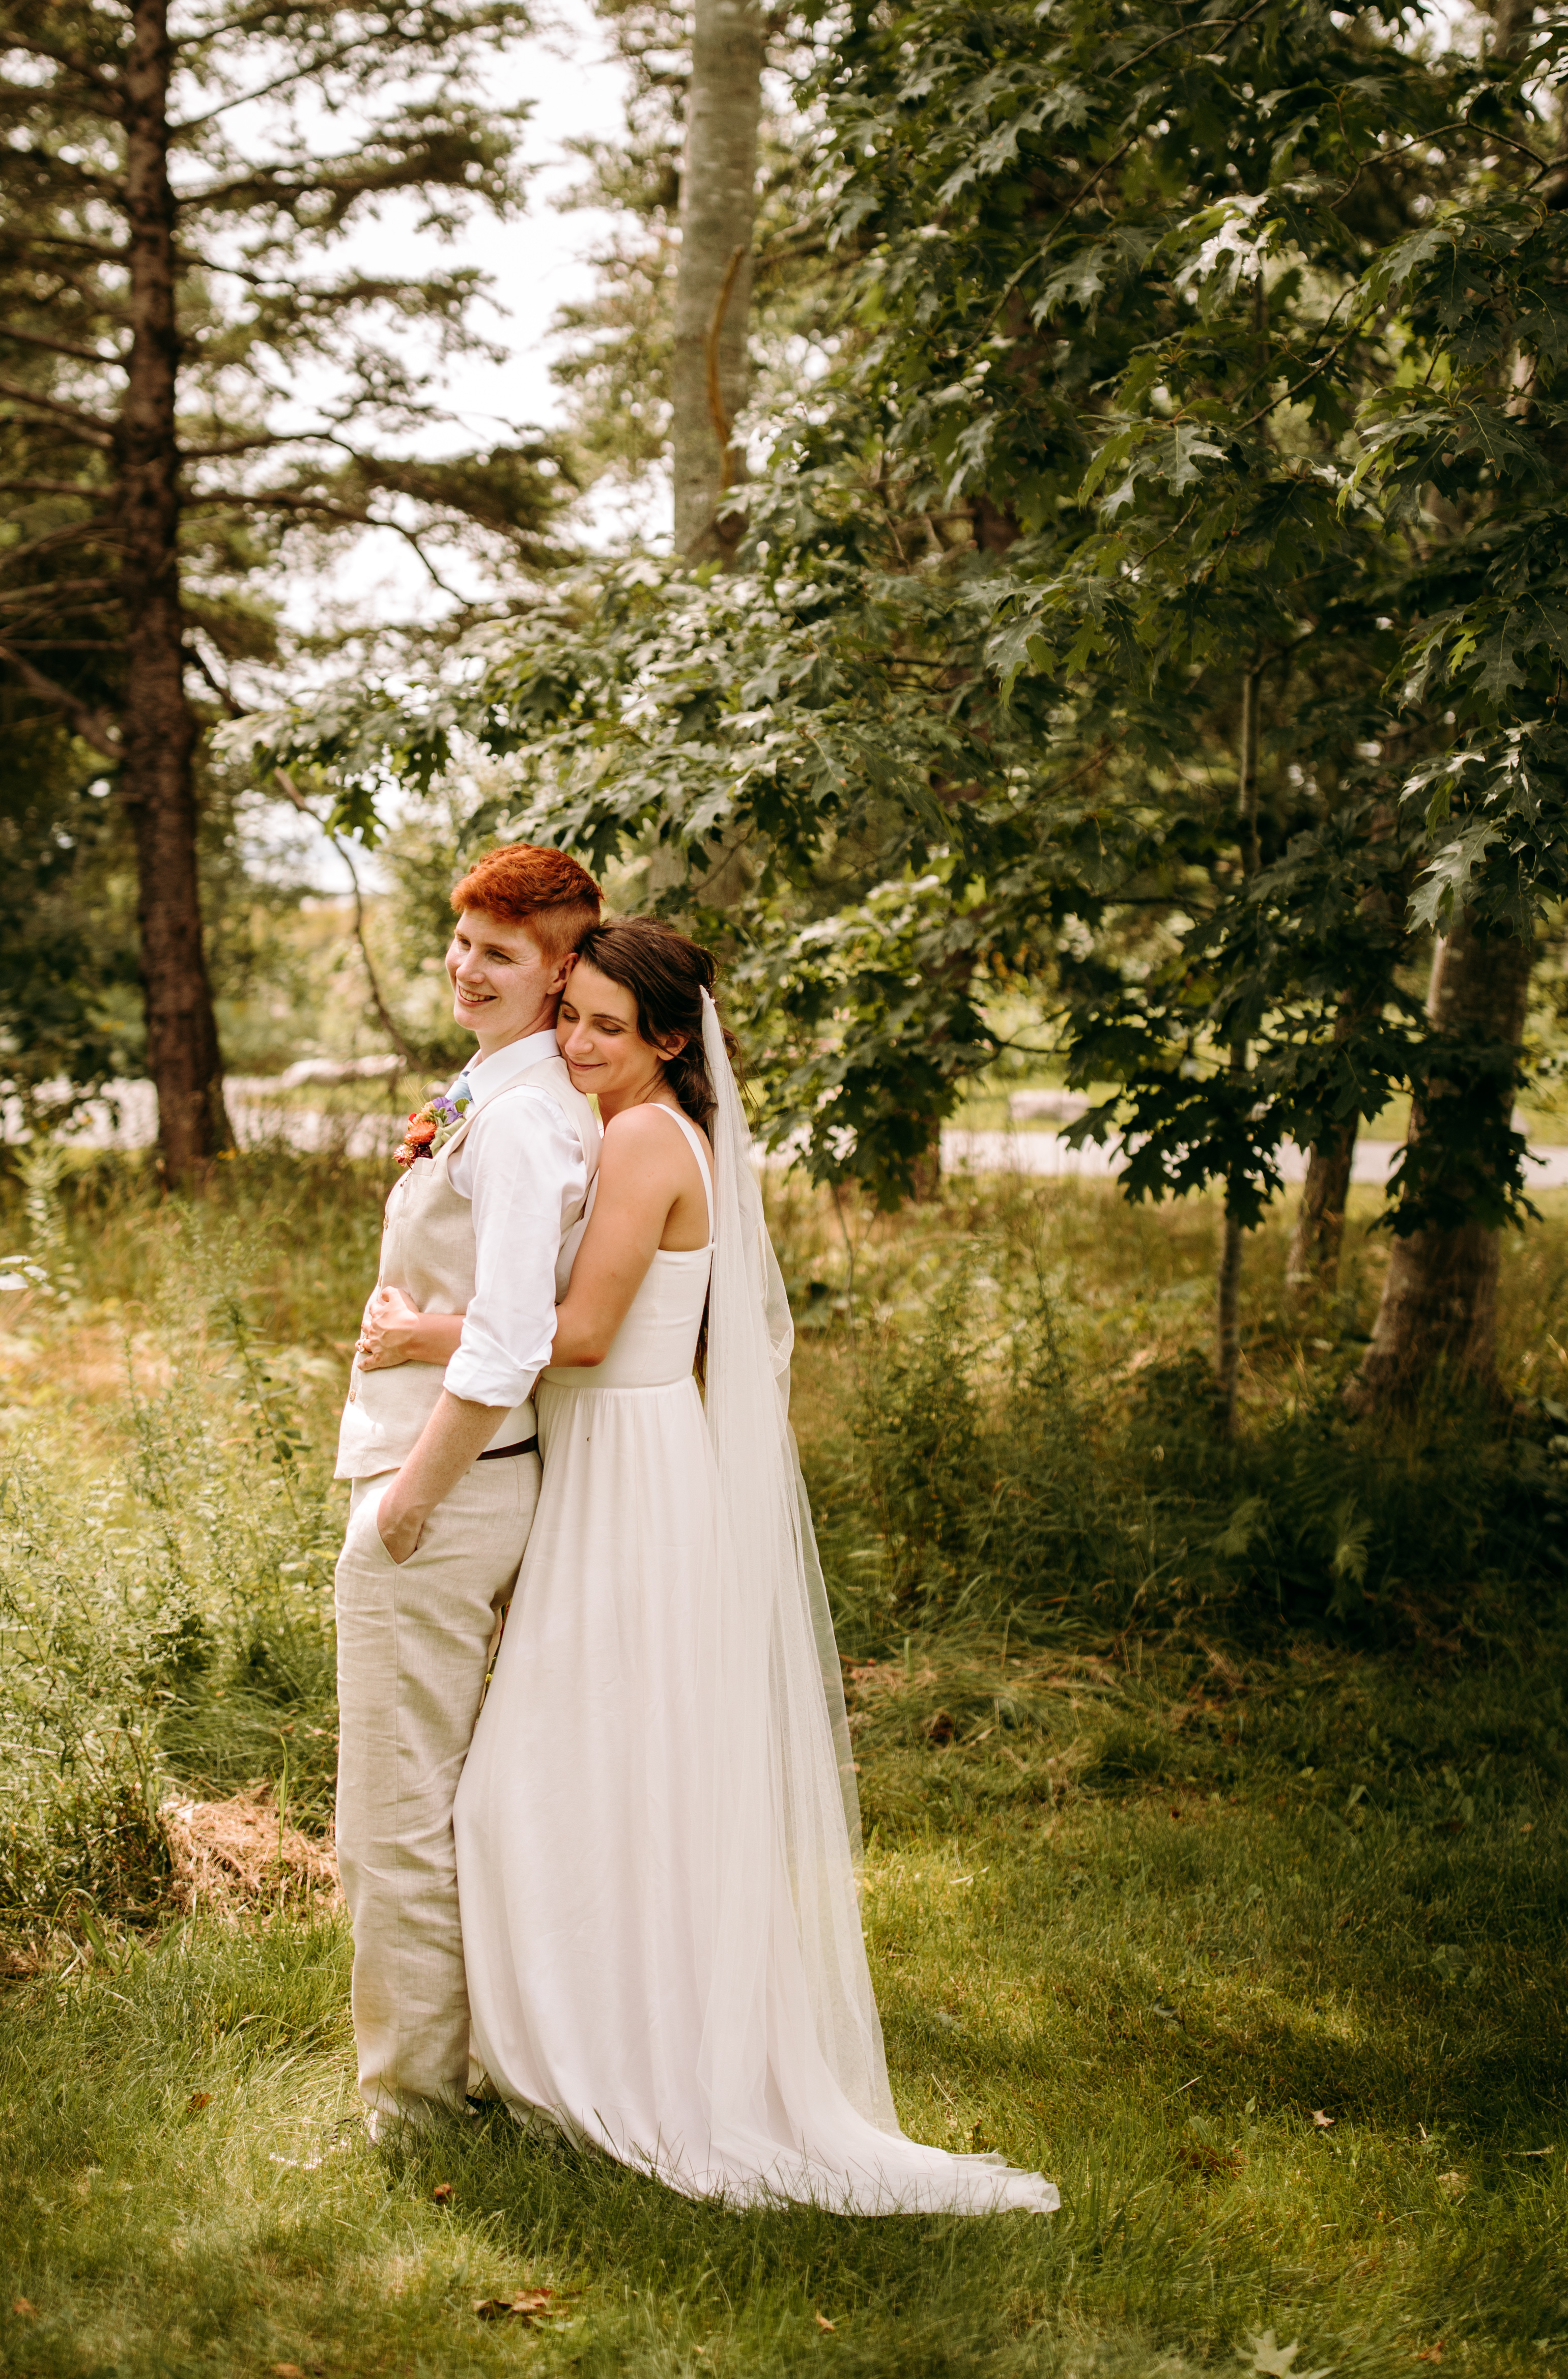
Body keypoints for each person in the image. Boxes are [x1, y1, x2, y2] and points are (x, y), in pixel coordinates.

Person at [356, 919, 1060, 2215]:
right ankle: (577, 2043)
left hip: (626, 1471)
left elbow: (577, 1333)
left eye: (605, 1028)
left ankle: (608, 2065)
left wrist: (421, 1335)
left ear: (671, 1041)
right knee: (602, 1777)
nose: (572, 1043)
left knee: (537, 1789)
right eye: (568, 1017)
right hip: (616, 1465)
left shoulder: (639, 1137)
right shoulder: (649, 1126)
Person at [332, 841, 605, 2136]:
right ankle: (465, 2065)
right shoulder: (502, 1093)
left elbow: (510, 1336)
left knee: (394, 1808)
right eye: (462, 941)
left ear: (561, 975)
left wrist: (408, 1504)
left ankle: (418, 2104)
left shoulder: (527, 1118)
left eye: (502, 952)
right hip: (462, 1477)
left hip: (443, 1487)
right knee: (437, 1795)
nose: (467, 965)